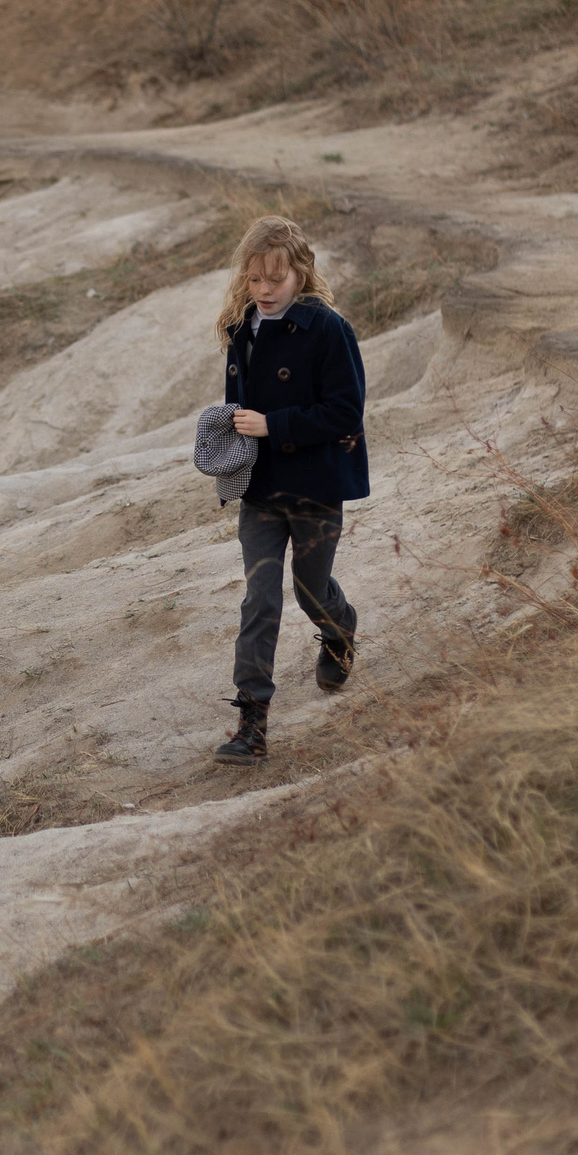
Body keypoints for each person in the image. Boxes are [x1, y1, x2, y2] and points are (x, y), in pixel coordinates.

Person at [212, 216, 368, 765]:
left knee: (309, 589)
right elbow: (244, 407)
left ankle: (339, 630)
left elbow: (346, 412)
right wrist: (228, 426)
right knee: (260, 599)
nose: (265, 290)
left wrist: (274, 425)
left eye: (276, 278)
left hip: (315, 485)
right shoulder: (241, 327)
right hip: (261, 490)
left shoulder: (328, 329)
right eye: (255, 280)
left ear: (301, 271)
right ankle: (251, 723)